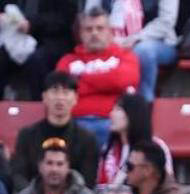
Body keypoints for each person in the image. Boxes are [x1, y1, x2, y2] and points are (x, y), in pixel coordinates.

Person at [55, 7, 139, 148]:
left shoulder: (125, 56)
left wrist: (81, 79)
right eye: (88, 29)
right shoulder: (67, 61)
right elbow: (60, 91)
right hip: (74, 123)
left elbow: (120, 80)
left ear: (110, 32)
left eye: (100, 28)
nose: (94, 33)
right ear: (80, 34)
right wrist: (107, 84)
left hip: (111, 124)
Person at [11, 71, 98, 192]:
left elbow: (88, 180)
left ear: (75, 98)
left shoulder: (87, 139)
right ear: (44, 97)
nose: (60, 97)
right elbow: (18, 175)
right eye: (55, 91)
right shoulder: (26, 135)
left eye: (66, 92)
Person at [0, 1, 77, 101]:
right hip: (15, 39)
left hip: (52, 40)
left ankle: (40, 104)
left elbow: (64, 18)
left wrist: (32, 24)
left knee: (37, 60)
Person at [105, 0, 179, 102]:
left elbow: (166, 21)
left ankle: (145, 101)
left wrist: (136, 39)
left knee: (143, 50)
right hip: (111, 40)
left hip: (158, 42)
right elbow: (90, 16)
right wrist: (113, 40)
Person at [97, 93, 174, 186]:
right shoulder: (109, 148)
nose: (111, 114)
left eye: (118, 109)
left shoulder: (156, 146)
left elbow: (167, 185)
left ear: (133, 114)